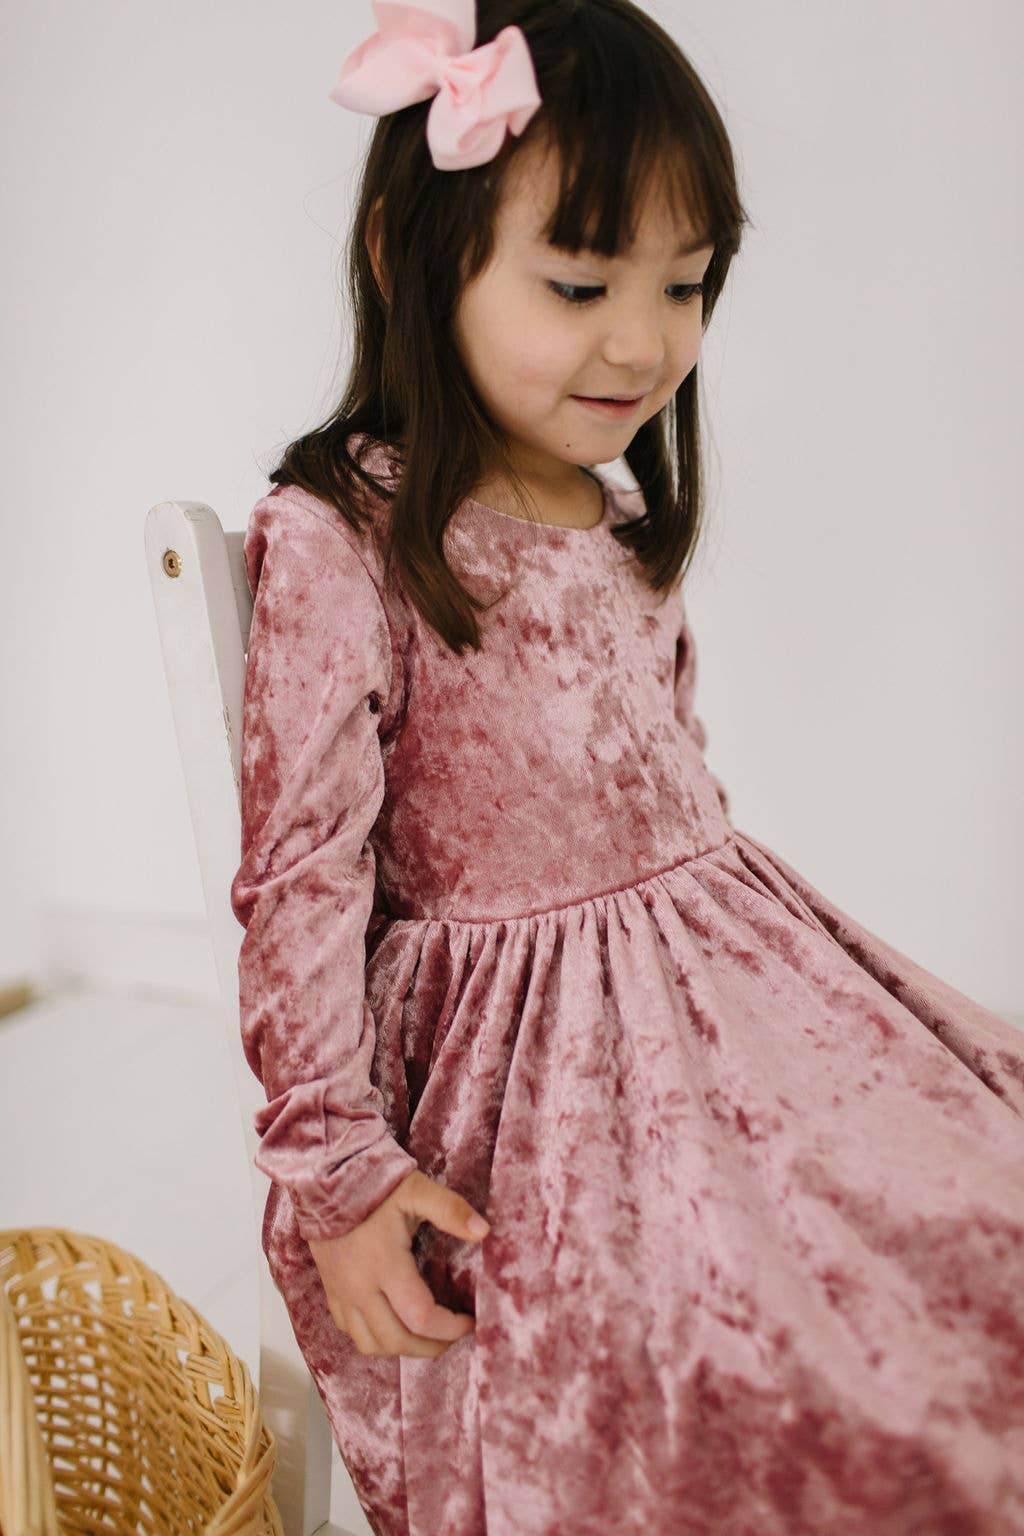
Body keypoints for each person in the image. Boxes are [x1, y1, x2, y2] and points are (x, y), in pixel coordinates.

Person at [228, 3, 1024, 1533]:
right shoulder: (346, 535)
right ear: (408, 256)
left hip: (722, 990)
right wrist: (334, 1172)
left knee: (960, 1194)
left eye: (686, 283)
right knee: (785, 1356)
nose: (646, 340)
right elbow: (300, 879)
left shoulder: (617, 517)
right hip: (537, 1070)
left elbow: (675, 776)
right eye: (582, 284)